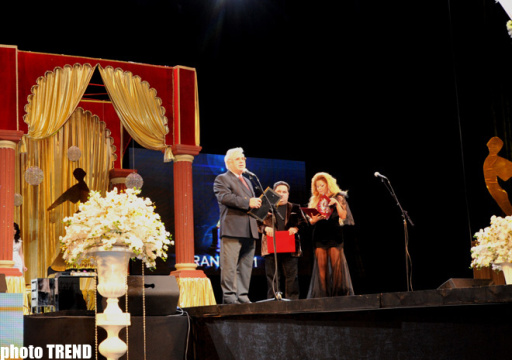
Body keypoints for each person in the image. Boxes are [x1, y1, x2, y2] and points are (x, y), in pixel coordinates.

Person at [213, 147, 262, 304]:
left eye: (243, 158)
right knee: (230, 265)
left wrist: (261, 210)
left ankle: (242, 296)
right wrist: (249, 202)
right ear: (228, 162)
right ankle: (230, 297)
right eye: (238, 159)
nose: (242, 161)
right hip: (233, 228)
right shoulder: (222, 179)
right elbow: (226, 198)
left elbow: (252, 205)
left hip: (250, 228)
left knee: (246, 265)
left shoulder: (247, 180)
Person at [306, 172, 354, 298]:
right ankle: (323, 297)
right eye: (317, 186)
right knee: (321, 269)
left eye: (322, 185)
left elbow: (344, 216)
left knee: (336, 267)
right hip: (319, 235)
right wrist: (315, 219)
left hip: (334, 234)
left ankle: (338, 297)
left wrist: (336, 203)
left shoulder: (338, 197)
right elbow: (311, 221)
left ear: (328, 185)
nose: (320, 188)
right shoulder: (315, 200)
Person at [260, 181, 304, 300]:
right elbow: (256, 224)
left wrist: (296, 228)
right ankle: (273, 300)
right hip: (271, 246)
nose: (282, 194)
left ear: (288, 194)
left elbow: (304, 223)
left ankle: (293, 301)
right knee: (272, 276)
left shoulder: (295, 207)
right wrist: (265, 228)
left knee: (291, 276)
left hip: (290, 246)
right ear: (273, 193)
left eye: (284, 192)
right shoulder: (266, 206)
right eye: (279, 191)